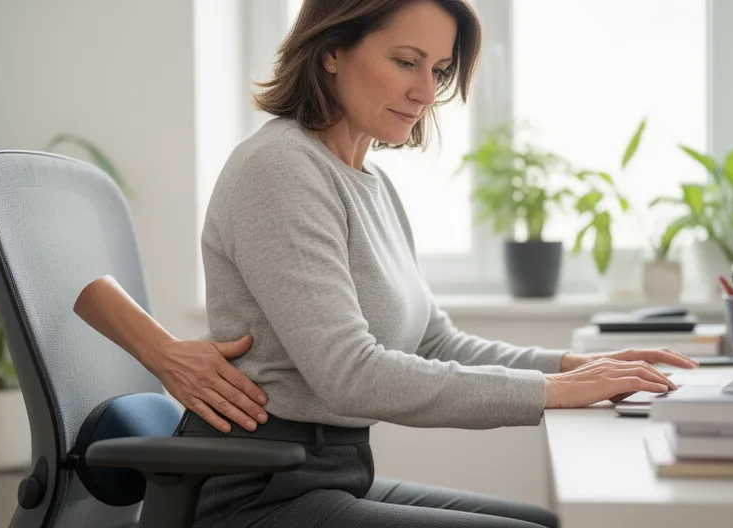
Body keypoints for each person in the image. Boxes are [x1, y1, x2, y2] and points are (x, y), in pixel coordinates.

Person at [74, 0, 699, 526]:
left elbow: (434, 339)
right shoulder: (280, 170)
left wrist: (577, 366)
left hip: (330, 477)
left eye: (439, 69)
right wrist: (553, 392)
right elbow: (350, 374)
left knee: (543, 523)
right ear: (330, 51)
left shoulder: (368, 183)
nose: (426, 92)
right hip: (256, 494)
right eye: (406, 62)